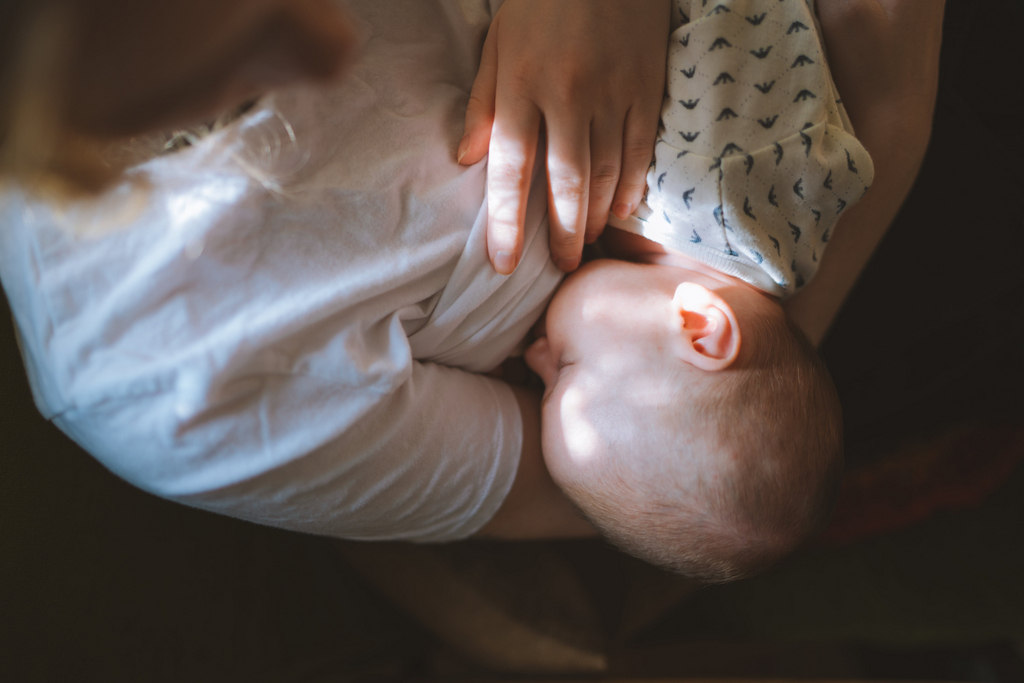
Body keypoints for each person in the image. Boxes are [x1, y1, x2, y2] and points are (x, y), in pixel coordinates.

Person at [0, 0, 943, 574]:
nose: (332, 50)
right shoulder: (156, 375)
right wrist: (779, 313)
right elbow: (664, 489)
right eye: (223, 68)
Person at [465, 0, 872, 580]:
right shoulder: (721, 174)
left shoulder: (723, 257)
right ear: (700, 329)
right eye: (566, 368)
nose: (533, 354)